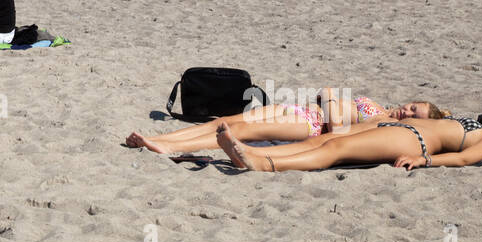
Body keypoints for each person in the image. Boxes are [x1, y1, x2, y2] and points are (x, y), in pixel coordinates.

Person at [214, 111, 482, 172]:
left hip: (411, 141)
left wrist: (426, 161)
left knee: (334, 150)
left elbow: (465, 160)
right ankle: (254, 153)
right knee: (329, 138)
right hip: (402, 130)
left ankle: (265, 164)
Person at [126, 95, 446, 154]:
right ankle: (167, 137)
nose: (406, 112)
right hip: (300, 108)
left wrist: (332, 102)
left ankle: (168, 147)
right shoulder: (378, 107)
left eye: (413, 116)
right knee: (225, 120)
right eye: (412, 107)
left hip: (308, 125)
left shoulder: (384, 125)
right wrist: (332, 99)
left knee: (237, 133)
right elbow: (328, 94)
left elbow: (337, 132)